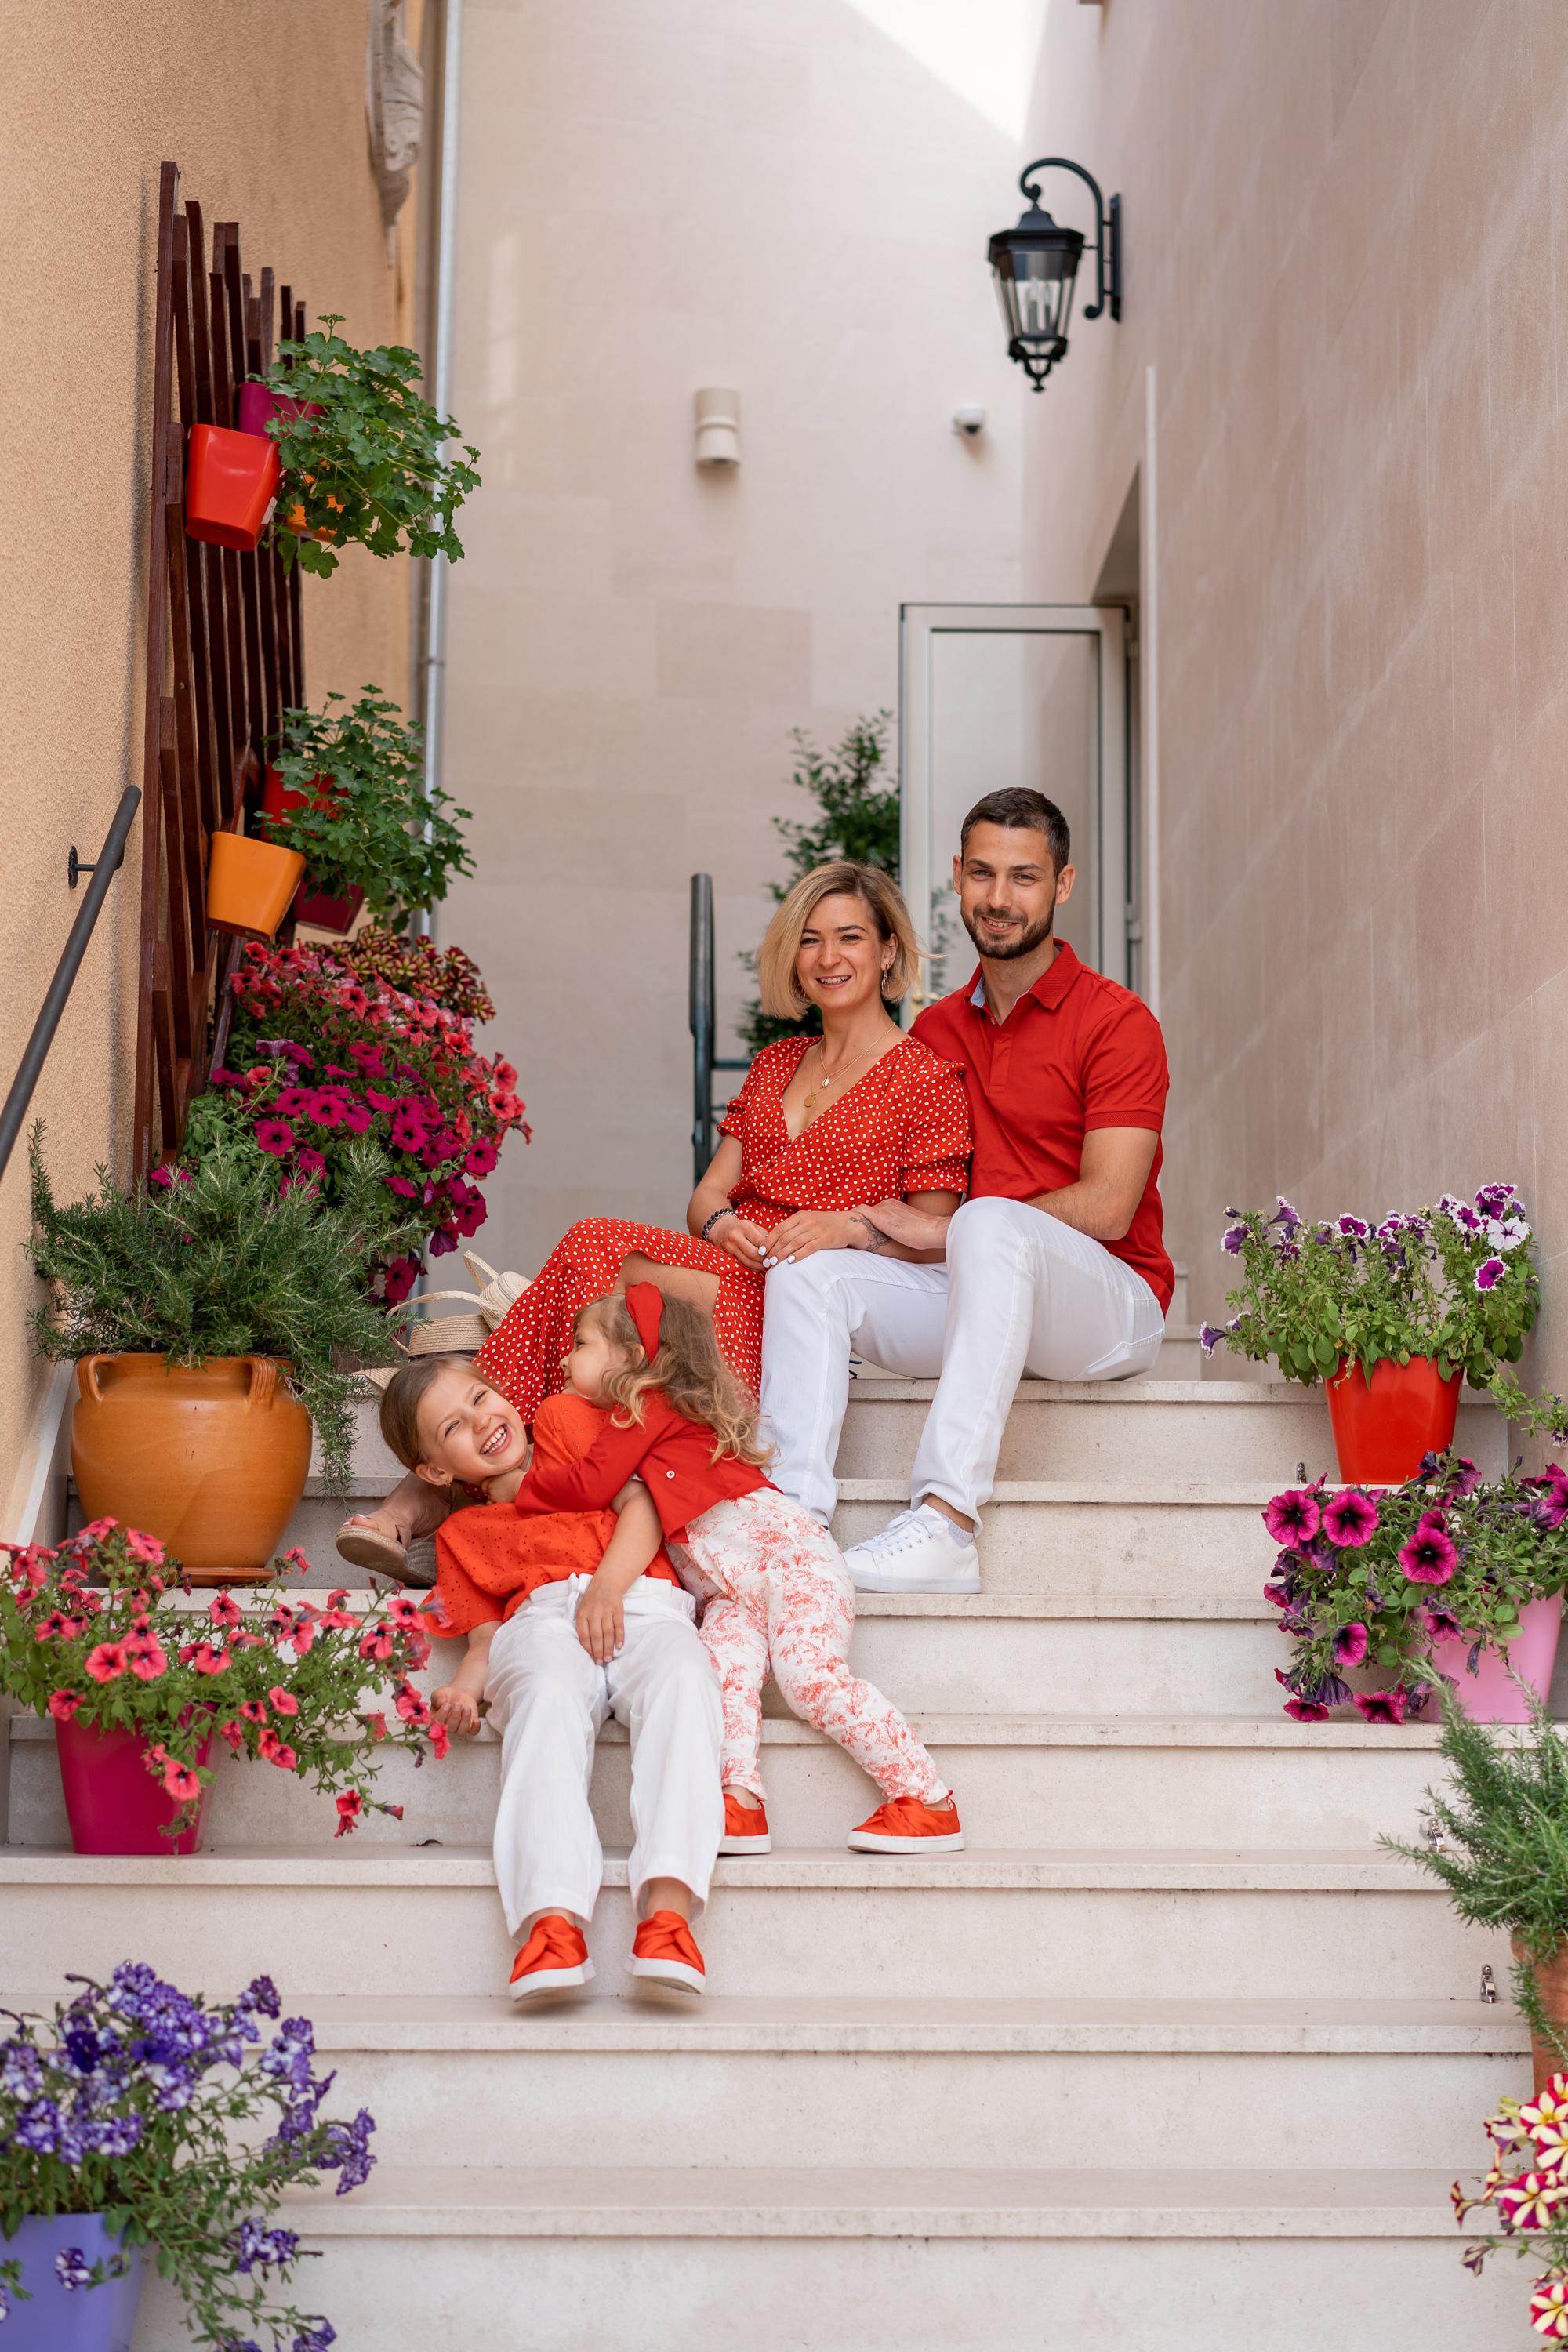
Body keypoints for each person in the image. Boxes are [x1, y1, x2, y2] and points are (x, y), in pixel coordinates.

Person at [339, 859, 971, 1577]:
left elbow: (929, 1238)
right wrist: (722, 1226)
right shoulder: (776, 1063)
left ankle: (456, 1498)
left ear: (888, 950)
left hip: (807, 1310)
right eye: (811, 940)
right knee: (589, 1258)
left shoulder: (927, 1077)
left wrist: (844, 1228)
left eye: (850, 937)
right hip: (731, 1267)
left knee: (593, 1250)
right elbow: (707, 1196)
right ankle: (517, 1492)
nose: (829, 958)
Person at [758, 786, 1173, 1594]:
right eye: (981, 874)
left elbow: (1108, 1205)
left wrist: (946, 1232)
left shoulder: (1117, 1022)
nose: (998, 897)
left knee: (984, 1222)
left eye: (1023, 877)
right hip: (977, 1285)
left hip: (1108, 1305)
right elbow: (907, 1210)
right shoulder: (934, 1032)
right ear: (955, 876)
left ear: (1062, 885)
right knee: (806, 1270)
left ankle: (945, 1521)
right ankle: (789, 1525)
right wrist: (850, 1228)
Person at [514, 1283, 964, 1857]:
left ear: (629, 1358)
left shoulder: (648, 1407)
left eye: (580, 1343)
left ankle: (926, 1799)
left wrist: (519, 1486)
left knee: (811, 1680)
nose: (565, 1357)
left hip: (790, 1561)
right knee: (721, 1672)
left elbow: (590, 1484)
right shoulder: (639, 1415)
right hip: (730, 1593)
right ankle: (740, 1801)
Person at [381, 1352, 724, 2002]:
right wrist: (463, 1690)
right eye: (454, 1427)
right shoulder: (463, 1534)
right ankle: (552, 1923)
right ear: (435, 1470)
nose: (483, 1421)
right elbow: (485, 1641)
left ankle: (669, 1915)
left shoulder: (569, 1442)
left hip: (637, 1599)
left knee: (685, 1677)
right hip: (539, 1622)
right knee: (543, 1696)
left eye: (482, 1397)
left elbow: (642, 1506)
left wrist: (606, 1590)